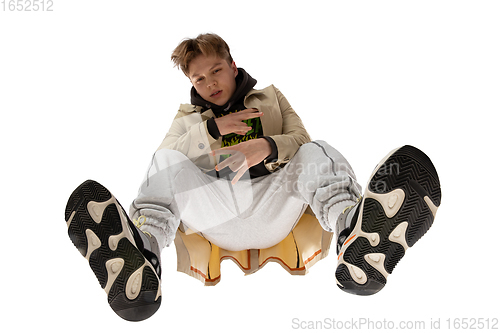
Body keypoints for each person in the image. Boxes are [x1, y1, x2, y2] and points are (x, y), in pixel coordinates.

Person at [64, 33, 442, 321]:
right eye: (198, 79)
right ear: (191, 84)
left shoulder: (272, 98)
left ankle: (352, 230)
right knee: (165, 160)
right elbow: (169, 155)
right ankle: (143, 251)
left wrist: (267, 147)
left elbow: (301, 140)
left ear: (231, 64)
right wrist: (212, 131)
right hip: (216, 212)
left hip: (273, 203)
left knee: (317, 151)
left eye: (215, 71)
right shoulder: (187, 119)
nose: (209, 83)